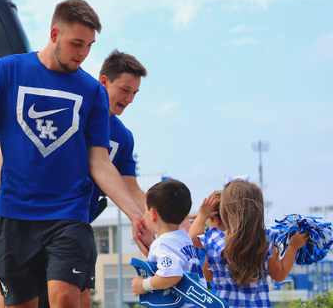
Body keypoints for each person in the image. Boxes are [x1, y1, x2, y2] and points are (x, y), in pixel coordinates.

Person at [0, 0, 146, 308]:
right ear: (55, 35)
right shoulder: (8, 70)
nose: (83, 53)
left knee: (66, 296)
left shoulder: (92, 91)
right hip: (14, 213)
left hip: (68, 214)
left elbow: (99, 160)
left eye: (89, 46)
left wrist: (135, 214)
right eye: (76, 43)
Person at [80, 49, 147, 308]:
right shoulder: (74, 111)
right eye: (125, 90)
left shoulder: (123, 136)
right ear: (104, 81)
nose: (130, 99)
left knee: (77, 296)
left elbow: (132, 189)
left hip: (78, 224)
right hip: (37, 216)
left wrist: (168, 218)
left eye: (135, 94)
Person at [188, 176, 309, 308]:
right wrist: (293, 246)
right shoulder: (265, 239)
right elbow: (279, 275)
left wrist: (202, 215)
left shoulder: (214, 241)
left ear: (224, 211)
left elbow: (194, 240)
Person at [131, 178, 205, 307]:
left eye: (145, 209)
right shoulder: (184, 237)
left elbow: (172, 275)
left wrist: (143, 285)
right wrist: (151, 244)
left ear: (153, 214)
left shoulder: (162, 245)